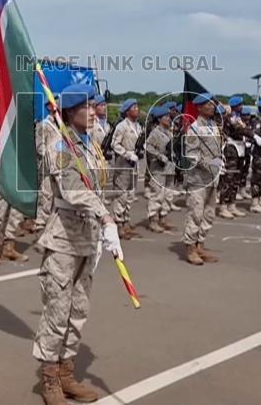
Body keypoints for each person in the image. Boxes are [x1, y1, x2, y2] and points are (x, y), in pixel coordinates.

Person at [33, 83, 122, 405]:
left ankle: (67, 373)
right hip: (63, 239)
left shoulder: (90, 145)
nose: (95, 111)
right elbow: (72, 191)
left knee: (78, 310)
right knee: (57, 311)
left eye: (95, 106)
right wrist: (106, 217)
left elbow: (97, 187)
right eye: (87, 107)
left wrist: (102, 228)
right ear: (71, 112)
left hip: (87, 238)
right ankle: (50, 378)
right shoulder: (61, 145)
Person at [182, 93, 223, 264]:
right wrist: (211, 164)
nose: (212, 106)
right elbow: (191, 155)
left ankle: (200, 245)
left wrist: (220, 162)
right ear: (199, 107)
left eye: (212, 104)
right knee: (196, 214)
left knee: (209, 214)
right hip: (198, 179)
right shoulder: (194, 128)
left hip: (212, 178)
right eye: (208, 104)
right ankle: (190, 248)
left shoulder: (213, 126)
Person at [110, 98, 142, 239]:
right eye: (134, 107)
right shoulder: (122, 126)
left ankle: (126, 222)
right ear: (127, 111)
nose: (137, 109)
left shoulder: (138, 126)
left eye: (137, 107)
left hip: (134, 165)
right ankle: (119, 224)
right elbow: (114, 144)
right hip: (123, 165)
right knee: (121, 195)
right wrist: (127, 153)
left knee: (130, 195)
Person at [144, 106, 176, 232]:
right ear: (159, 119)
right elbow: (148, 146)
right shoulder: (155, 133)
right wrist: (159, 156)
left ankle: (163, 217)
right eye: (166, 117)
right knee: (157, 194)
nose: (169, 118)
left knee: (168, 195)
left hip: (169, 167)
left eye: (169, 116)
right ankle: (153, 219)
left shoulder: (169, 132)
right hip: (158, 168)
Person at [36, 101, 62, 235]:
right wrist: (49, 158)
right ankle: (40, 231)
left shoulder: (63, 124)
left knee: (59, 201)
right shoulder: (44, 125)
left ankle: (52, 232)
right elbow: (40, 147)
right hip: (47, 169)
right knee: (46, 199)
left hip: (61, 168)